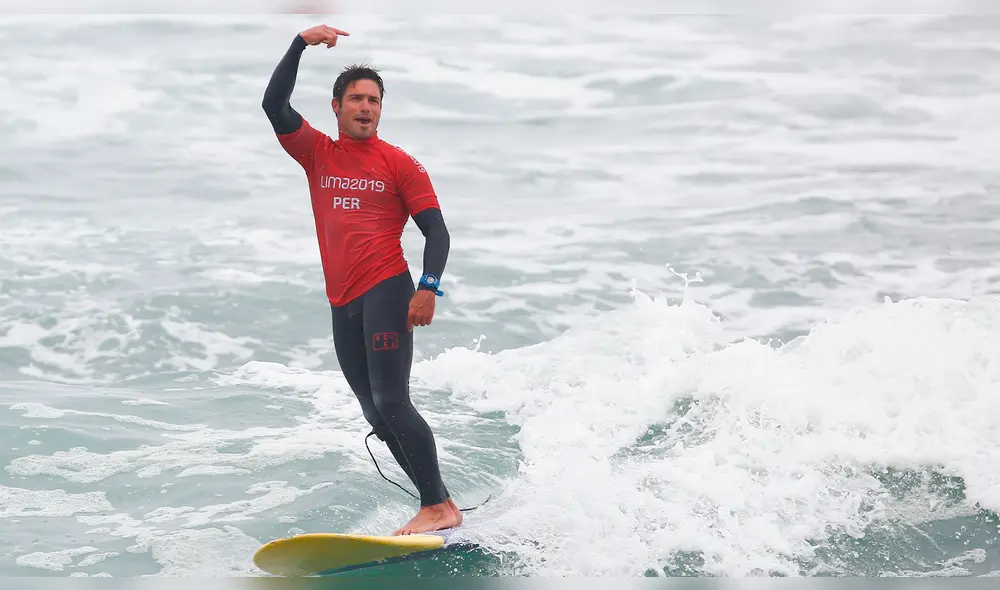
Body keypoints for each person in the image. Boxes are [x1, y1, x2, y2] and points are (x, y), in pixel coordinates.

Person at [260, 24, 462, 536]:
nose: (366, 107)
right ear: (336, 106)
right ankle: (437, 503)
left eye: (374, 100)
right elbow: (273, 105)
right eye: (356, 99)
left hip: (387, 288)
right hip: (342, 300)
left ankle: (436, 504)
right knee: (375, 412)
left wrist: (427, 286)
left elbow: (435, 230)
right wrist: (300, 43)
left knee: (393, 400)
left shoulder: (400, 164)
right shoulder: (317, 153)